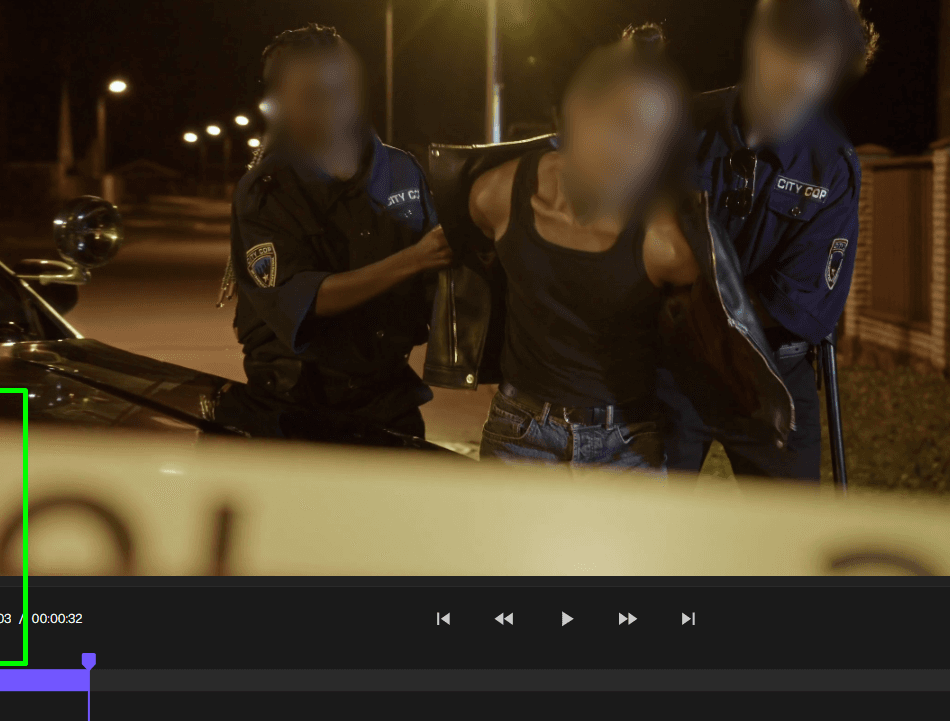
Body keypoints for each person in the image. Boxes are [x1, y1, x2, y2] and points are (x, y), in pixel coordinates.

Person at [658, 0, 881, 482]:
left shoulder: (830, 166)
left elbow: (799, 305)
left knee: (788, 530)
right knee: (643, 522)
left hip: (775, 375)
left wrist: (692, 300)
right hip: (671, 372)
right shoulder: (676, 127)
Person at [463, 25, 698, 473]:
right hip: (521, 435)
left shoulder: (666, 241)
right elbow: (471, 265)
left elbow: (707, 339)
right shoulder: (496, 195)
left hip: (629, 442)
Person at [215, 23, 450, 438]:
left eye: (339, 87)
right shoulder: (267, 189)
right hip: (295, 405)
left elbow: (439, 280)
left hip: (390, 397)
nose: (330, 104)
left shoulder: (400, 169)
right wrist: (414, 259)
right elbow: (307, 301)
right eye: (308, 93)